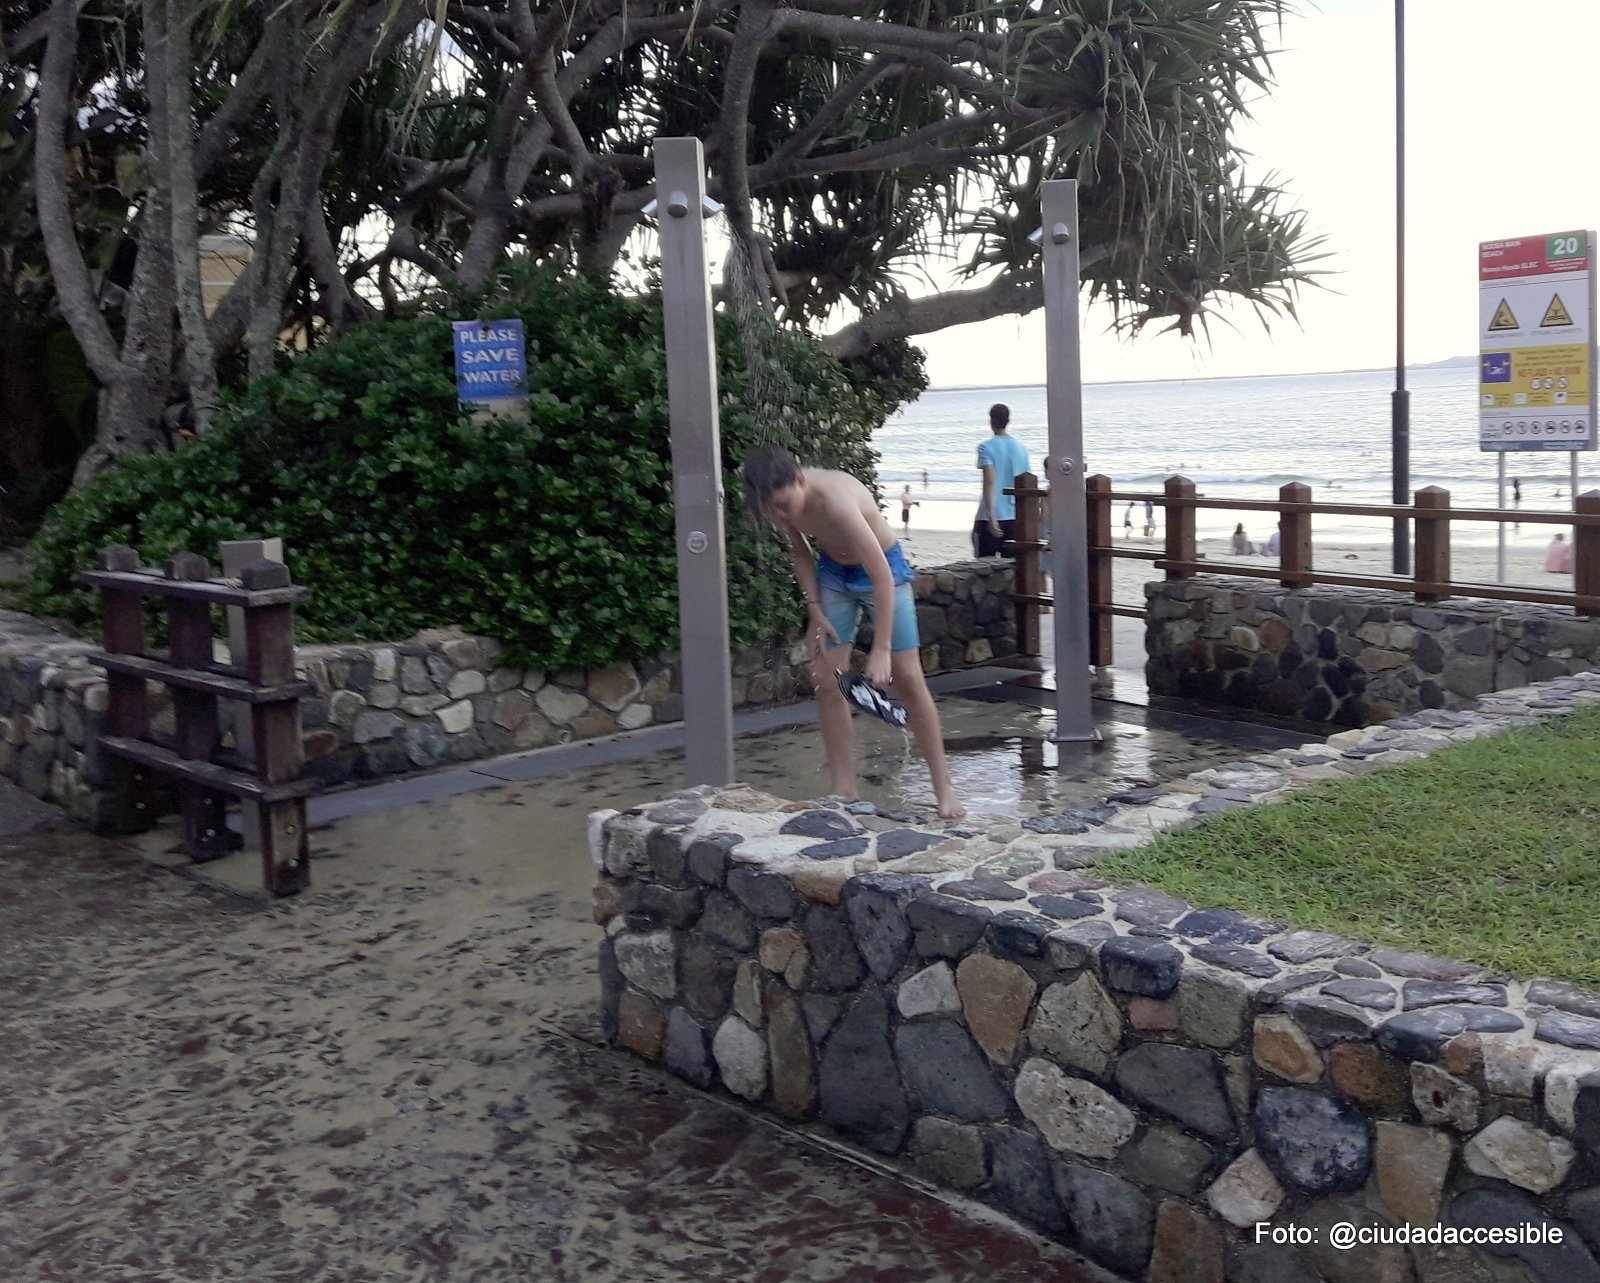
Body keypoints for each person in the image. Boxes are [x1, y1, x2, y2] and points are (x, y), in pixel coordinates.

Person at [742, 446, 966, 820]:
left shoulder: (835, 500)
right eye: (772, 510)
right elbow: (800, 554)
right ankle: (843, 788)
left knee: (909, 677)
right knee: (826, 679)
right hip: (833, 574)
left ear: (800, 480)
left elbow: (880, 571)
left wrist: (881, 647)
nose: (780, 516)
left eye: (784, 506)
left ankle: (944, 789)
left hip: (881, 571)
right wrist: (814, 610)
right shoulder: (779, 500)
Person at [974, 403, 1030, 557]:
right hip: (1015, 514)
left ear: (991, 421)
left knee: (984, 567)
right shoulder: (1021, 448)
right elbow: (1026, 483)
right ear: (1008, 420)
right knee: (1013, 568)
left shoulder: (985, 448)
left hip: (990, 515)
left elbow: (989, 481)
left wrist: (992, 517)